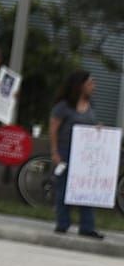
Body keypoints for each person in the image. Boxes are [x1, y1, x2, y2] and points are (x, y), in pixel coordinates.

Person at [49, 70, 105, 239]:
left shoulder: (90, 105)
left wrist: (98, 128)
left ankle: (87, 226)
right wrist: (54, 151)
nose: (93, 87)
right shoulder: (64, 106)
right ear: (80, 86)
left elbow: (90, 124)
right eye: (90, 83)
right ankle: (62, 222)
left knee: (87, 189)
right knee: (63, 188)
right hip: (66, 152)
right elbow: (53, 129)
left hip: (85, 155)